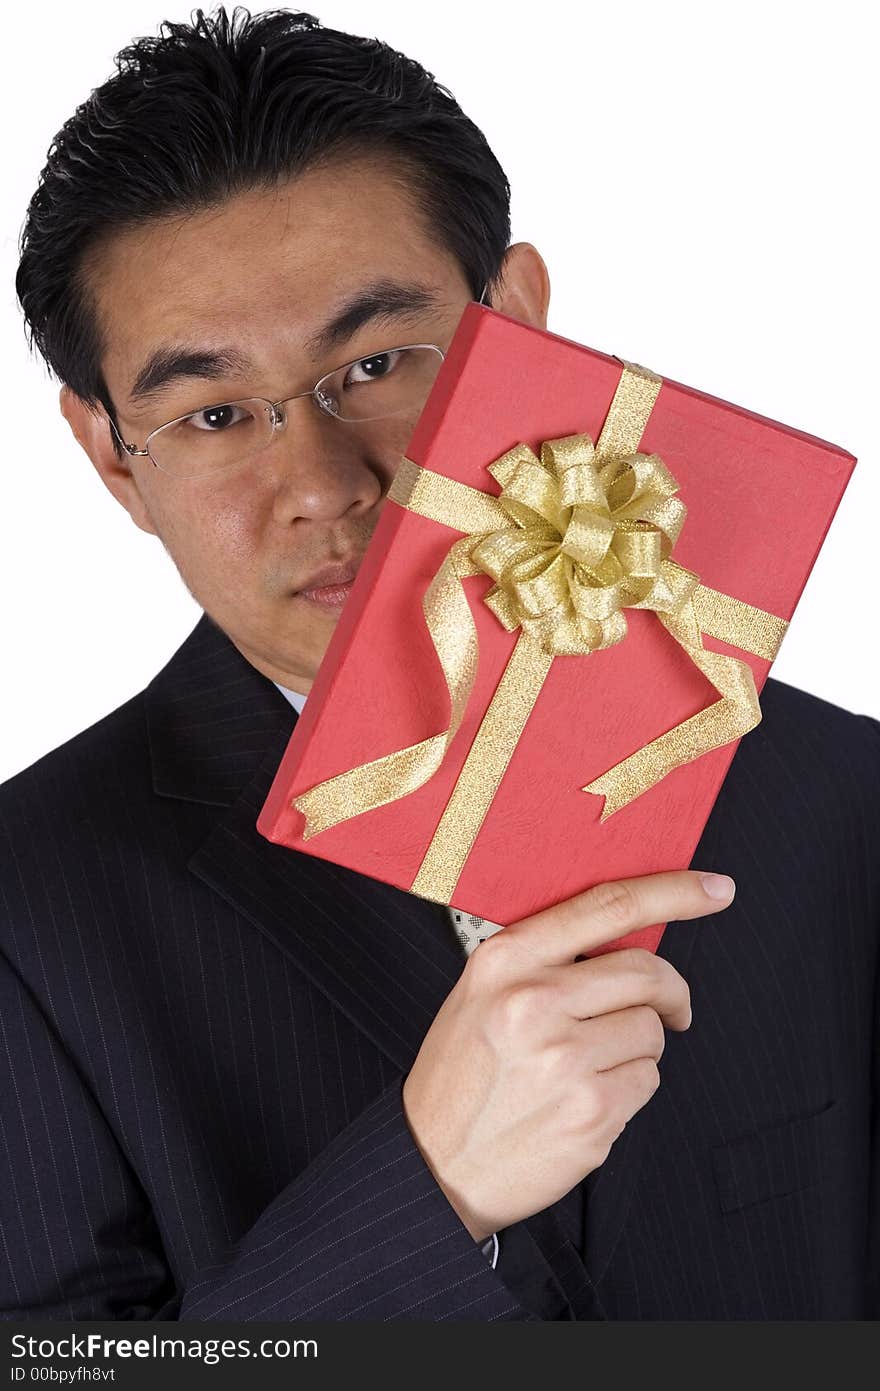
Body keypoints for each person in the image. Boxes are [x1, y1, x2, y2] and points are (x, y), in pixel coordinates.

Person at [4, 5, 878, 1323]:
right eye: (216, 413)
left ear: (519, 318)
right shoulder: (28, 909)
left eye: (377, 362)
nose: (323, 485)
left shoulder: (848, 796)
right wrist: (430, 1193)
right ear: (111, 453)